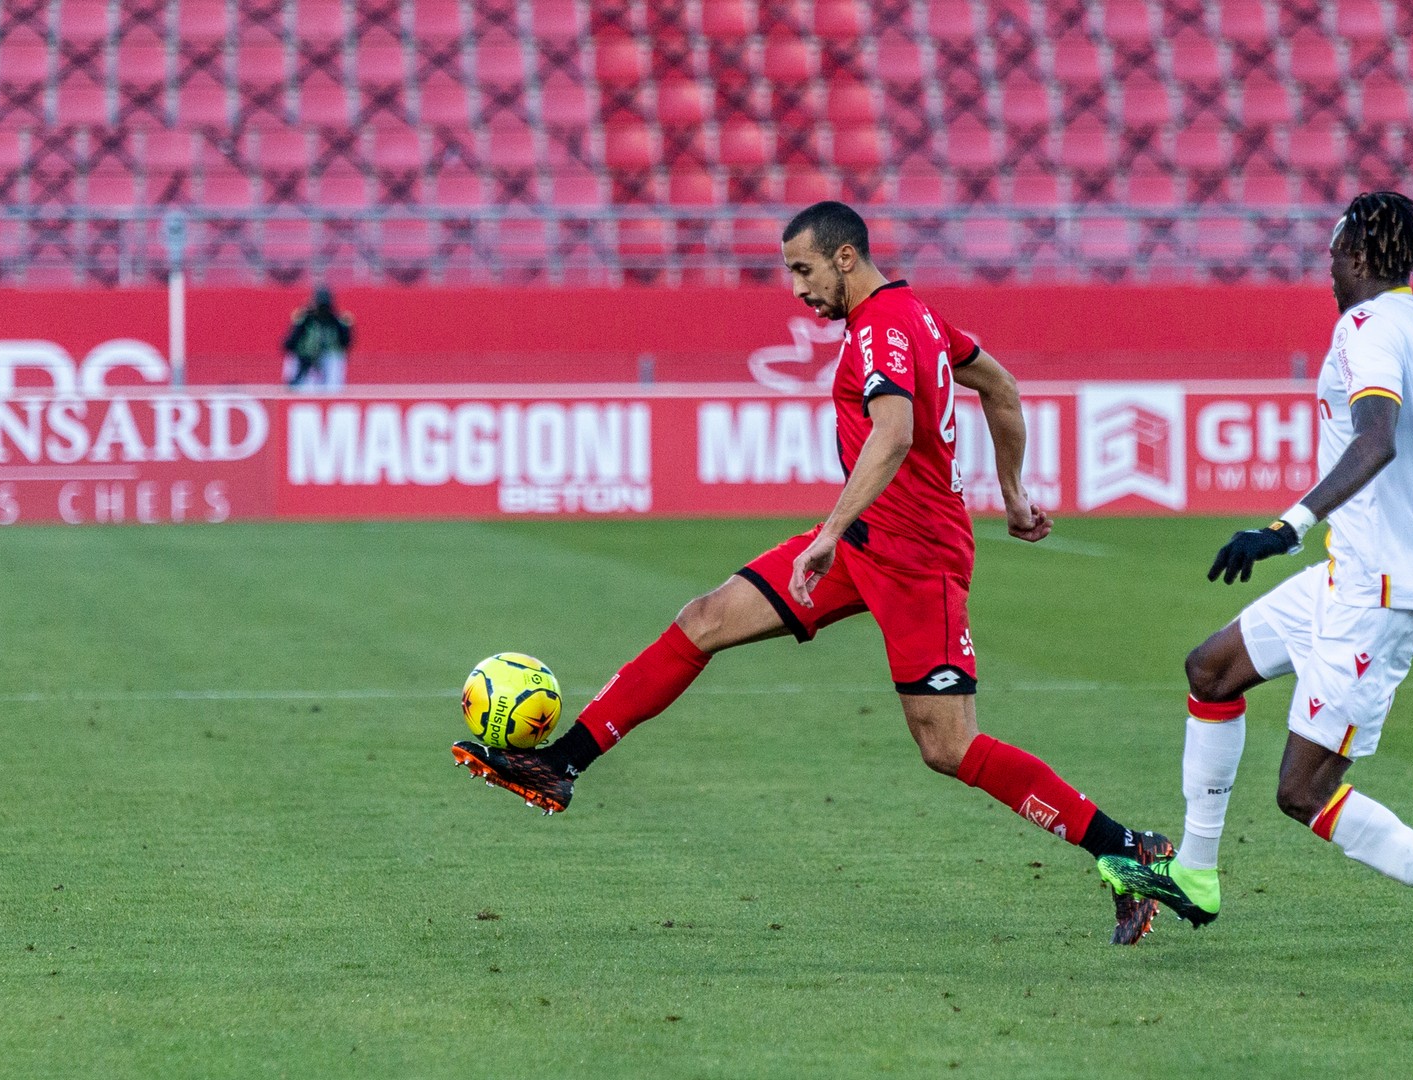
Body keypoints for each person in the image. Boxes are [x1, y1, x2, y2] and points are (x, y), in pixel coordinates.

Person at [453, 201, 1176, 945]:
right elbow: (1001, 387)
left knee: (948, 746)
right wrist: (1014, 496)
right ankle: (562, 765)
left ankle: (1126, 849)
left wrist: (829, 532)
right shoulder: (918, 318)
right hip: (867, 541)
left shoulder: (884, 328)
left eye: (804, 270)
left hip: (916, 559)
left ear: (844, 258)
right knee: (704, 619)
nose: (798, 289)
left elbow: (895, 434)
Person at [1100, 192, 1413, 977]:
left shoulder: (1366, 329)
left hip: (1378, 596)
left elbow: (1375, 441)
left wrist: (1285, 526)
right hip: (1353, 575)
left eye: (1334, 254)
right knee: (1212, 669)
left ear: (1361, 255)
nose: (1328, 269)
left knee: (1303, 791)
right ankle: (1195, 874)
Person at [283, 286, 353, 390]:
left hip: (328, 358)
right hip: (305, 358)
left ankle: (332, 389)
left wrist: (337, 322)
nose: (322, 310)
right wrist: (306, 355)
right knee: (303, 384)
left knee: (335, 358)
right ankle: (299, 385)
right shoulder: (305, 318)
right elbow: (288, 344)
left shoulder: (337, 320)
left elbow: (346, 343)